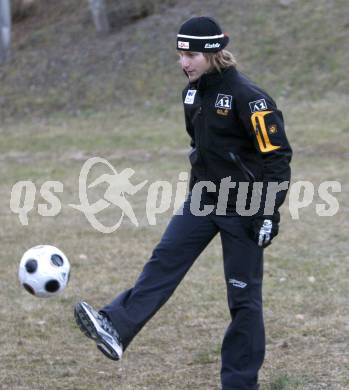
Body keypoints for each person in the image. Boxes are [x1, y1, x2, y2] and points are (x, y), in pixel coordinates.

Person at [74, 16, 292, 390]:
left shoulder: (249, 98)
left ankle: (240, 384)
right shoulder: (191, 94)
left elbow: (277, 158)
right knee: (163, 261)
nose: (184, 62)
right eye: (180, 55)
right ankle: (115, 326)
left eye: (190, 54)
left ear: (211, 53)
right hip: (204, 200)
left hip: (245, 210)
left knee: (243, 300)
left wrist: (268, 211)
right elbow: (201, 148)